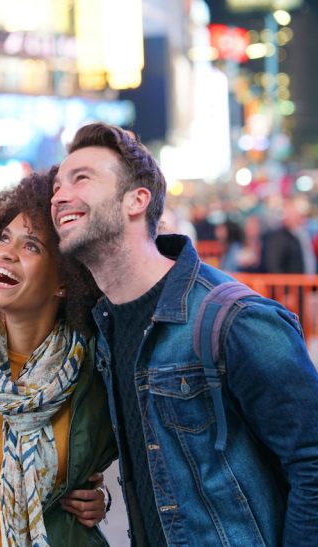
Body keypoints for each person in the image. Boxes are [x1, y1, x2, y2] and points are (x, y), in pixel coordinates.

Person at [51, 122, 318, 546]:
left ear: (136, 200)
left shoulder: (233, 318)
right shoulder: (102, 326)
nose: (59, 195)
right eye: (57, 185)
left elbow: (312, 463)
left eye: (81, 178)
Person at [0, 169, 117, 547]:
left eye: (31, 246)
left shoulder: (94, 367)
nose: (6, 254)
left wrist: (102, 498)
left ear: (66, 280)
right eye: (3, 238)